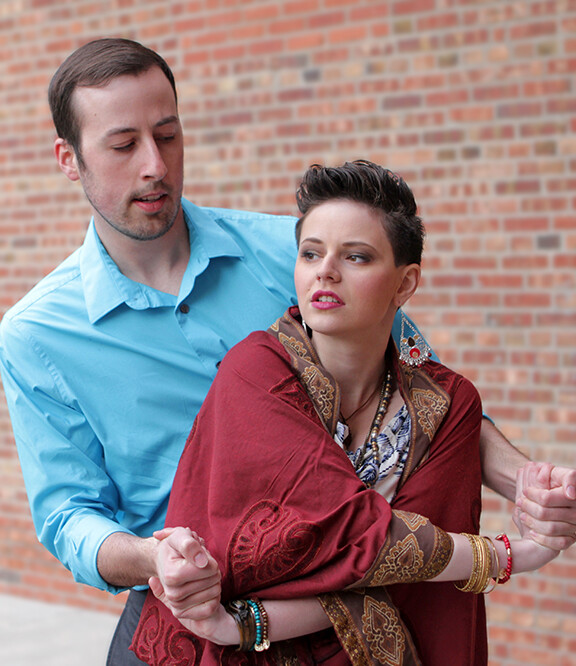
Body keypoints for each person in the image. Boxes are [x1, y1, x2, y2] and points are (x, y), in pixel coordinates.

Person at [0, 38, 574, 665]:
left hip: (356, 581)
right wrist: (154, 555)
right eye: (122, 145)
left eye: (168, 135)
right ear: (68, 158)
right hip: (187, 607)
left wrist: (530, 484)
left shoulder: (297, 253)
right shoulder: (38, 334)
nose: (154, 166)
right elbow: (69, 514)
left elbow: (420, 399)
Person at [130, 161, 564, 665]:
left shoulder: (446, 406)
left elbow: (403, 574)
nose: (325, 271)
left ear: (405, 285)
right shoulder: (256, 370)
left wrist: (243, 623)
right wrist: (510, 555)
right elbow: (352, 532)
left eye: (356, 256)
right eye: (310, 253)